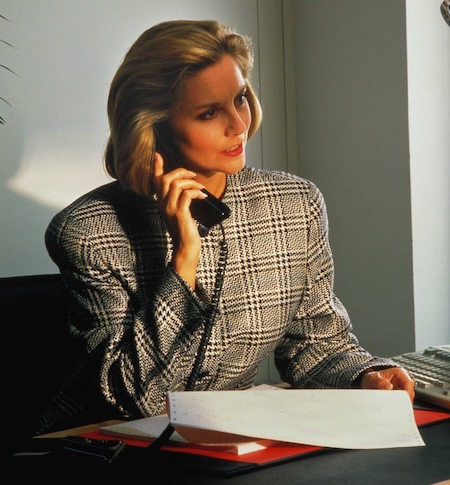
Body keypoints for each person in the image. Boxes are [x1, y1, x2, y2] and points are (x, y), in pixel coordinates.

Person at [40, 19, 414, 433]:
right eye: (209, 112)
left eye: (239, 98)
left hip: (222, 449)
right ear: (154, 126)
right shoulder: (87, 232)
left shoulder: (293, 205)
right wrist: (183, 261)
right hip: (101, 450)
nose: (238, 124)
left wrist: (366, 375)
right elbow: (138, 397)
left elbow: (315, 345)